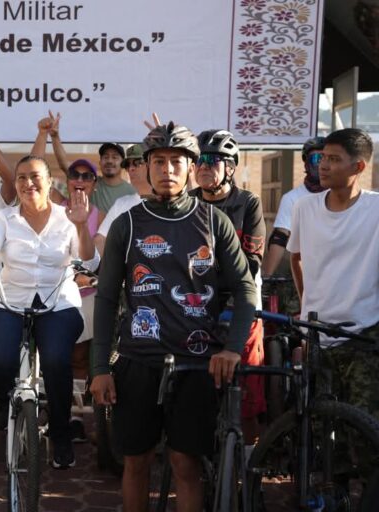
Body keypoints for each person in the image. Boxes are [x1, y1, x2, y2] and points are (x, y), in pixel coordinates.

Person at [90, 121, 256, 512]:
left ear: (190, 167)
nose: (167, 170)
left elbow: (246, 288)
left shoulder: (215, 223)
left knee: (185, 464)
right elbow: (107, 297)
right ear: (146, 167)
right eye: (159, 161)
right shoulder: (127, 224)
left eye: (176, 162)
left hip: (197, 363)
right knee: (136, 463)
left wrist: (232, 348)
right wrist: (99, 367)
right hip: (138, 361)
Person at [0, 155, 98, 468]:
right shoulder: (4, 218)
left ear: (49, 182)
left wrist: (82, 225)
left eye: (34, 177)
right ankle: (4, 398)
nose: (27, 183)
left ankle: (60, 434)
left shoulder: (68, 217)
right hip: (10, 301)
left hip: (58, 301)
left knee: (58, 362)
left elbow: (87, 260)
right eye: (20, 178)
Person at [288, 128, 379, 419]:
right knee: (317, 429)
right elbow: (296, 258)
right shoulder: (304, 207)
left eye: (334, 159)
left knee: (364, 430)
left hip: (364, 334)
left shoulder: (375, 209)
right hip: (317, 334)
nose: (323, 165)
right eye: (322, 158)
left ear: (359, 166)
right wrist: (306, 310)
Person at [190, 129, 266, 445]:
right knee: (192, 389)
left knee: (247, 395)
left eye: (213, 160)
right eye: (199, 161)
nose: (204, 166)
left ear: (230, 167)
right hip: (195, 302)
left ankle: (249, 463)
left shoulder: (247, 203)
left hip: (238, 301)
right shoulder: (187, 202)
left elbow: (251, 262)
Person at [36, 111, 137, 214]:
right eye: (106, 157)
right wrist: (55, 137)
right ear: (100, 162)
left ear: (123, 163)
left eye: (115, 157)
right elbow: (64, 165)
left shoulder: (132, 192)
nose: (110, 161)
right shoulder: (88, 181)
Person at [261, 136, 325, 277]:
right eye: (316, 158)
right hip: (305, 273)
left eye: (326, 158)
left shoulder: (339, 194)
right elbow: (280, 238)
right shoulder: (292, 198)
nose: (321, 164)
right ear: (306, 163)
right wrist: (266, 277)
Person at [94, 144, 150, 257]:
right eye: (128, 165)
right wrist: (89, 268)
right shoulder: (121, 203)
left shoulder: (166, 200)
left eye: (138, 163)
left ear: (151, 166)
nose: (131, 168)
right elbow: (101, 240)